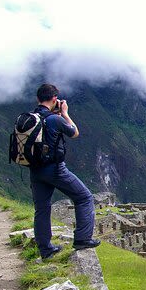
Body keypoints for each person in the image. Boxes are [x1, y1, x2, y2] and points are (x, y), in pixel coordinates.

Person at [30, 84, 100, 259]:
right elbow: (74, 133)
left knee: (42, 209)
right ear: (55, 99)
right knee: (84, 197)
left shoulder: (31, 118)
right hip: (55, 169)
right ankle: (83, 239)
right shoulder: (55, 120)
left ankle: (45, 250)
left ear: (38, 99)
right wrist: (65, 113)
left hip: (35, 170)